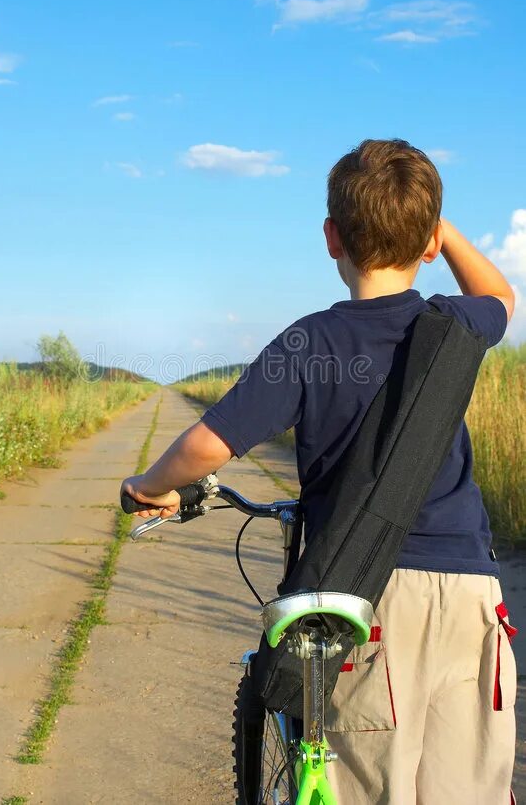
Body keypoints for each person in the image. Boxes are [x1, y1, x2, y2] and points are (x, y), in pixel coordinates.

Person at [121, 139, 517, 804]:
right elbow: (499, 293)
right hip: (469, 594)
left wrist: (149, 487)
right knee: (466, 787)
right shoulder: (453, 325)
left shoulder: (309, 341)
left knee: (363, 780)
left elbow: (208, 443)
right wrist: (439, 233)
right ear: (427, 243)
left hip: (366, 596)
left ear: (330, 237)